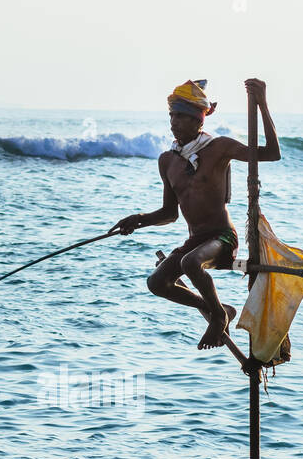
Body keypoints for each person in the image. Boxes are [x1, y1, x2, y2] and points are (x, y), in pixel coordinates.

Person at [115, 78, 280, 348]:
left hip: (222, 240)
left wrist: (261, 103)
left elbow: (272, 154)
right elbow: (170, 214)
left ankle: (216, 317)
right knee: (157, 282)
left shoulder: (219, 148)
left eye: (180, 116)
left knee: (189, 263)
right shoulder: (168, 161)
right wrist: (139, 220)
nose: (173, 122)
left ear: (198, 119)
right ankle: (219, 309)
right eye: (171, 115)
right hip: (195, 243)